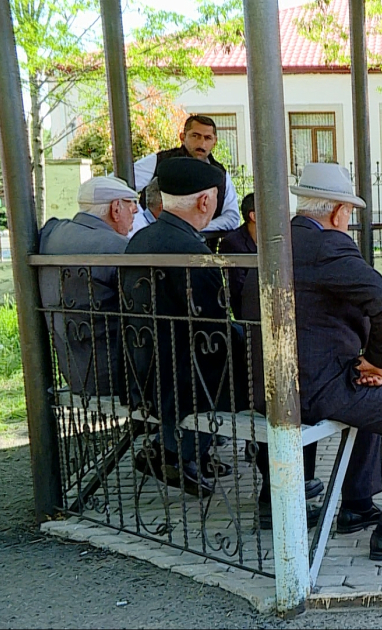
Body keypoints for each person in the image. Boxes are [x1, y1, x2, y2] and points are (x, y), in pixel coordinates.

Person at [244, 162, 382, 560]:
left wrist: (373, 366)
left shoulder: (275, 242)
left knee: (377, 390)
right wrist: (377, 362)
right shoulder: (328, 244)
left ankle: (358, 504)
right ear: (338, 212)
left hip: (273, 385)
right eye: (348, 216)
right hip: (316, 389)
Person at [121, 157, 247, 497]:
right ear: (205, 201)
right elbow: (213, 333)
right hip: (178, 376)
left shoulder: (141, 240)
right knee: (250, 369)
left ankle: (180, 452)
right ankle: (176, 452)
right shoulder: (192, 251)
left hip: (140, 365)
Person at [39, 176, 138, 399]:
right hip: (112, 375)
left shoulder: (52, 233)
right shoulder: (117, 247)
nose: (136, 211)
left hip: (72, 370)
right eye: (131, 203)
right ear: (115, 208)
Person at [132, 114, 241, 232]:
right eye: (195, 136)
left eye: (207, 138)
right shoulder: (158, 161)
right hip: (155, 239)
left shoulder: (220, 174)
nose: (201, 143)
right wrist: (140, 222)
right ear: (182, 137)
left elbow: (232, 217)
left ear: (215, 142)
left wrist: (196, 228)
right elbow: (120, 186)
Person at [218, 193, 256, 316]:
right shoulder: (232, 244)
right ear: (254, 216)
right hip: (249, 315)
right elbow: (238, 290)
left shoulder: (277, 240)